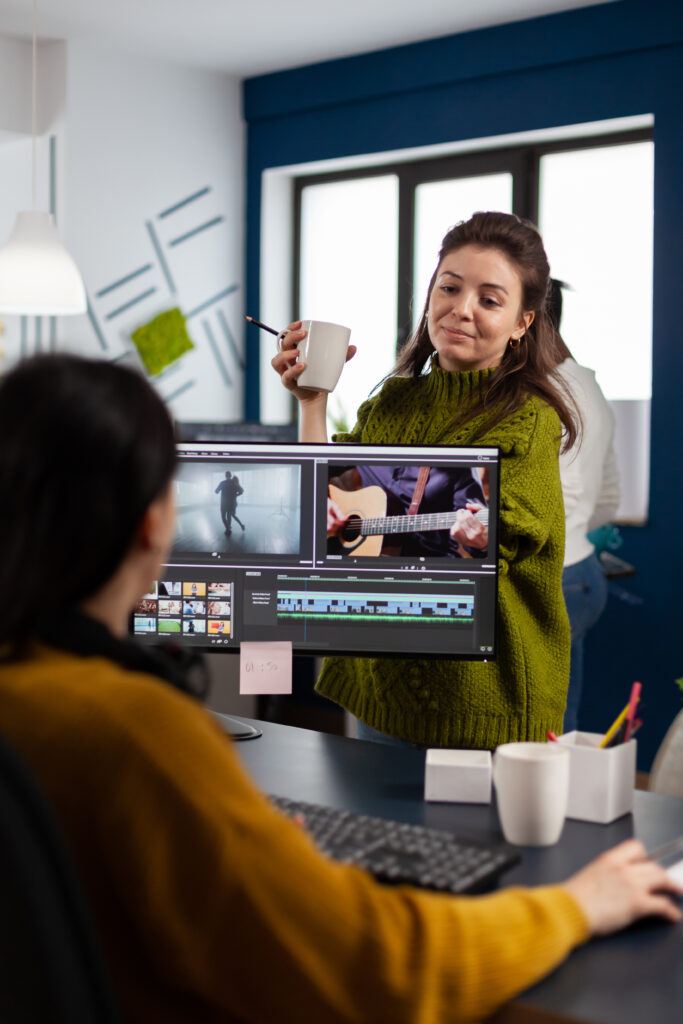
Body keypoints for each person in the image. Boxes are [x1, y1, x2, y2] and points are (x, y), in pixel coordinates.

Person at [0, 353, 679, 1024]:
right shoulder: (139, 734)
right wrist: (576, 904)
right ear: (154, 524)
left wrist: (255, 855)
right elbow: (387, 965)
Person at [273, 211, 578, 749]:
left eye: (489, 299)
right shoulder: (393, 401)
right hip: (373, 687)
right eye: (449, 287)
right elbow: (319, 501)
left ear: (522, 323)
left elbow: (486, 550)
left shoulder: (528, 419)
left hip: (476, 704)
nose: (460, 310)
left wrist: (373, 535)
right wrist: (312, 403)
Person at [546, 279, 621, 733]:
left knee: (538, 727)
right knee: (561, 724)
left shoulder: (543, 392)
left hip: (554, 578)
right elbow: (609, 496)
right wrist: (580, 528)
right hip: (586, 574)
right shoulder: (590, 386)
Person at [327, 463, 489, 558]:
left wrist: (482, 541)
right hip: (361, 565)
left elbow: (477, 536)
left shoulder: (459, 464)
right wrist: (323, 503)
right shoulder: (369, 437)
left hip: (429, 569)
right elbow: (311, 470)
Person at [214, 469, 245, 535]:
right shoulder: (234, 483)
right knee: (230, 516)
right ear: (230, 475)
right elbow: (241, 491)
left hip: (224, 503)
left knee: (223, 517)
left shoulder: (222, 483)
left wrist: (219, 490)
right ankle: (229, 528)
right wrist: (236, 495)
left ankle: (228, 528)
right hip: (232, 503)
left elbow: (216, 491)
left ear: (225, 476)